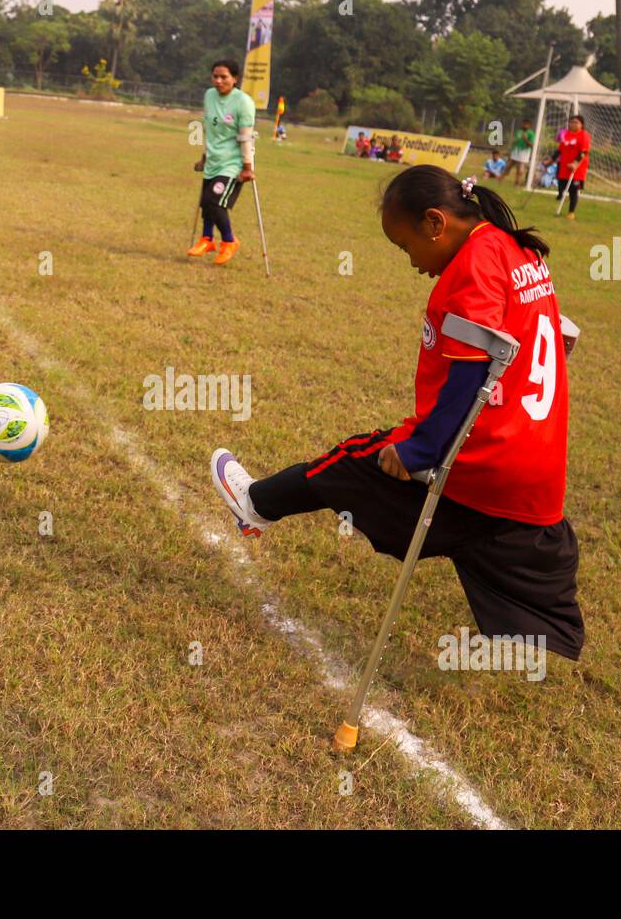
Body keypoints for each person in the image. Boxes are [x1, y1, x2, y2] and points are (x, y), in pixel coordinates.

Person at [210, 167, 582, 660]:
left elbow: (469, 375)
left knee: (350, 462)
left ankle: (254, 502)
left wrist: (422, 451)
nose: (412, 263)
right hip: (535, 459)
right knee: (481, 530)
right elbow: (551, 333)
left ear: (435, 223)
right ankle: (528, 627)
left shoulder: (475, 262)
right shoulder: (518, 249)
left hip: (479, 453)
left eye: (406, 246)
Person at [186, 58, 257, 266]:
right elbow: (211, 131)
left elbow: (246, 136)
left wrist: (247, 168)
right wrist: (203, 158)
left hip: (233, 163)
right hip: (213, 159)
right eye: (215, 76)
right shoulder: (209, 96)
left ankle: (229, 241)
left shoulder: (243, 102)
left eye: (223, 77)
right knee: (206, 203)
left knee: (214, 201)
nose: (218, 81)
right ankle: (207, 240)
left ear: (235, 79)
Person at [545, 114, 589, 219]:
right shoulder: (567, 134)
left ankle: (571, 212)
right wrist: (550, 161)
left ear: (581, 125)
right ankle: (562, 202)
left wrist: (575, 163)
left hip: (577, 168)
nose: (572, 124)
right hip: (564, 166)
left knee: (574, 190)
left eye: (576, 122)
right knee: (561, 186)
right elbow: (559, 150)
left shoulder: (584, 135)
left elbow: (584, 152)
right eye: (571, 122)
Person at [505, 120, 534, 185]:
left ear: (529, 125)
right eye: (524, 124)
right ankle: (500, 178)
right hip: (516, 151)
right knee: (508, 167)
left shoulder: (531, 133)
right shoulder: (519, 131)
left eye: (526, 124)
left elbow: (531, 145)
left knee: (520, 169)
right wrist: (511, 149)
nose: (524, 125)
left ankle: (518, 182)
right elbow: (515, 141)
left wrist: (525, 139)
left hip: (524, 153)